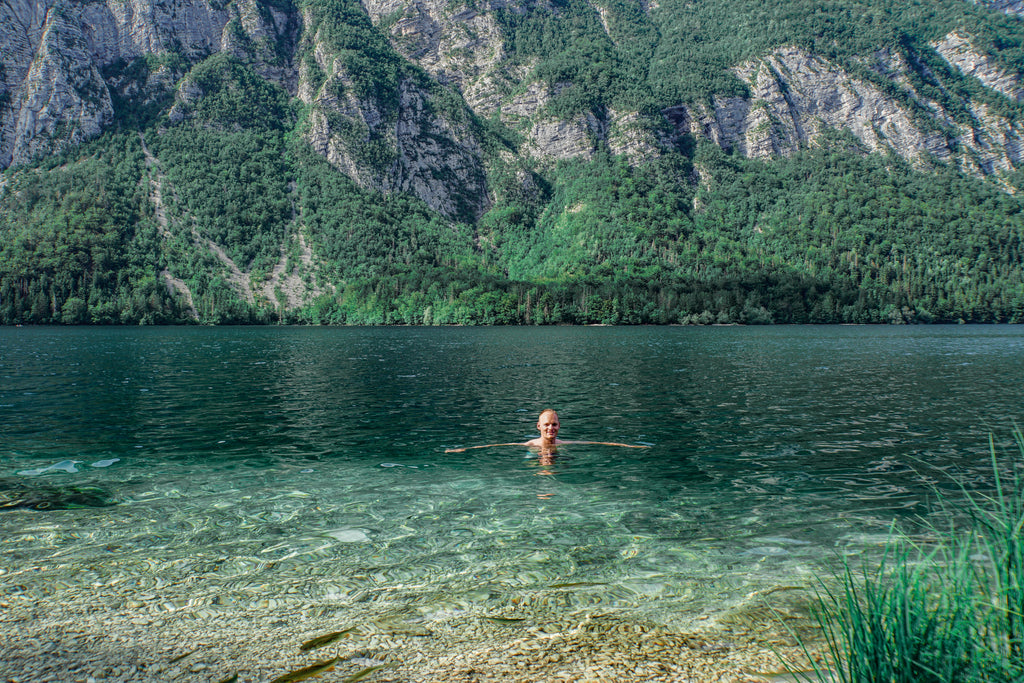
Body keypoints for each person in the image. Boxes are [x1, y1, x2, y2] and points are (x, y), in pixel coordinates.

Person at [444, 409, 649, 453]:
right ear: (538, 426)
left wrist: (627, 445)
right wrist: (466, 449)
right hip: (535, 458)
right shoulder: (531, 445)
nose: (551, 428)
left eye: (554, 424)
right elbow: (499, 445)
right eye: (547, 424)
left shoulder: (563, 444)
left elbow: (596, 443)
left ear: (559, 426)